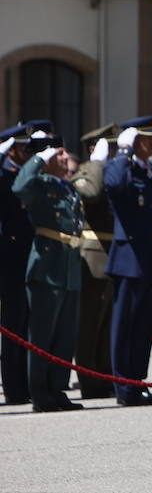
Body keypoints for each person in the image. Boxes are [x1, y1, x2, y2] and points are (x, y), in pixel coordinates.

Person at [104, 117, 152, 407]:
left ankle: (137, 383)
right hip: (130, 261)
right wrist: (122, 152)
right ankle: (123, 386)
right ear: (133, 143)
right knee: (126, 326)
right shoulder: (121, 168)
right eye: (144, 140)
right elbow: (113, 185)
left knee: (145, 327)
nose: (151, 145)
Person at [13, 133, 85, 412]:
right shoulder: (38, 184)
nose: (65, 157)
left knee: (65, 335)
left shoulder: (67, 188)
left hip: (69, 266)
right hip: (48, 267)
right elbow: (20, 186)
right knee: (42, 335)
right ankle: (40, 392)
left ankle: (58, 388)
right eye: (59, 154)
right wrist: (38, 159)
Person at [72, 125, 117, 399]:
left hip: (112, 253)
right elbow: (90, 194)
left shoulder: (108, 173)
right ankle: (89, 380)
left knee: (106, 324)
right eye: (107, 147)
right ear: (94, 149)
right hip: (93, 254)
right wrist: (97, 163)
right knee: (90, 323)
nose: (112, 152)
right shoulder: (86, 173)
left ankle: (104, 376)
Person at [0, 122, 41, 405]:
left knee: (21, 325)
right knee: (13, 324)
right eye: (24, 147)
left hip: (24, 257)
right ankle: (14, 388)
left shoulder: (24, 173)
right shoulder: (2, 173)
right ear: (11, 150)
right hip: (7, 258)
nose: (28, 152)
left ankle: (20, 386)